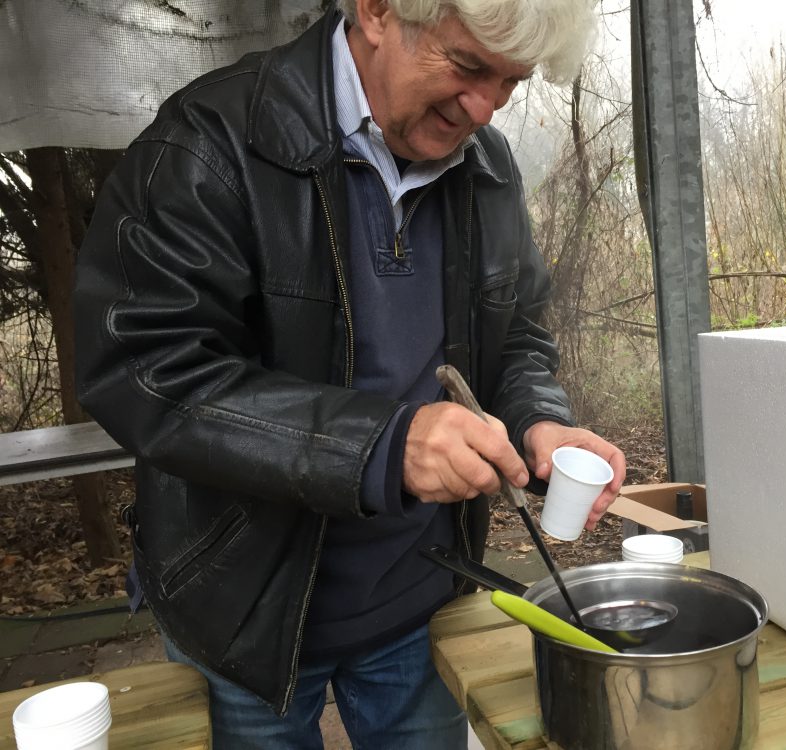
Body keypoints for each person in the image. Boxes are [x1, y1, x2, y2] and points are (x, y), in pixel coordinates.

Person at [73, 0, 625, 747]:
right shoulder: (210, 143)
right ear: (376, 10)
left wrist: (538, 420)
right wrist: (382, 446)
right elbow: (148, 369)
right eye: (467, 66)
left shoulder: (486, 168)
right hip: (243, 614)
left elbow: (515, 332)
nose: (483, 109)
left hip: (422, 596)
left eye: (510, 82)